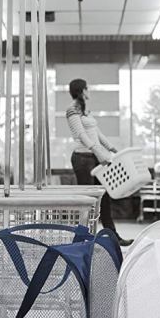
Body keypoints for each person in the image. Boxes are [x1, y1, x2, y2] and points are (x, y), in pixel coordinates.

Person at [66, 78, 132, 246]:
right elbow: (81, 134)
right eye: (87, 88)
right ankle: (84, 239)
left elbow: (97, 133)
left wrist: (112, 149)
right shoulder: (72, 110)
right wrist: (97, 151)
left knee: (105, 197)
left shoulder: (86, 111)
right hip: (82, 158)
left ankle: (113, 236)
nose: (90, 91)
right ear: (82, 91)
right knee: (88, 201)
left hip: (94, 157)